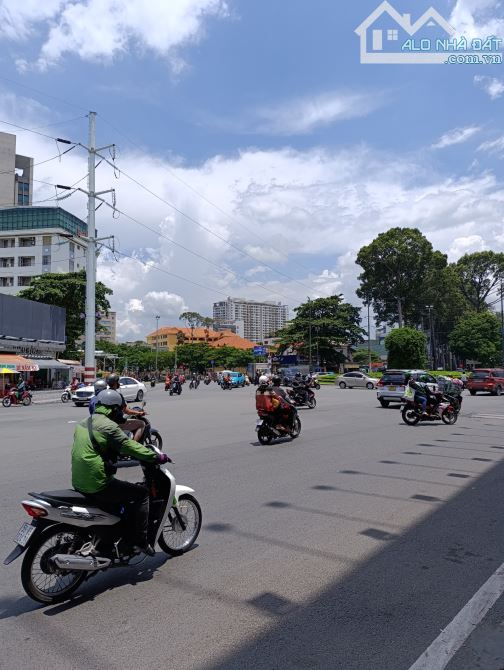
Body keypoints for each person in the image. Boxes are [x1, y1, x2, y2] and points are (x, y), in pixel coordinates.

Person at [71, 389, 169, 556]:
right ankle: (139, 541)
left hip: (78, 481)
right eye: (120, 410)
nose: (122, 413)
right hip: (98, 482)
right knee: (141, 494)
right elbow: (130, 446)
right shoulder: (109, 427)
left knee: (120, 498)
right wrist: (156, 456)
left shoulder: (84, 422)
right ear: (114, 409)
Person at [106, 373, 146, 442]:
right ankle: (134, 446)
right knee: (142, 424)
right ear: (115, 383)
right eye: (118, 382)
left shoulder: (105, 394)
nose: (119, 383)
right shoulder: (117, 395)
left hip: (106, 422)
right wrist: (139, 413)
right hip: (117, 423)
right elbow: (127, 411)